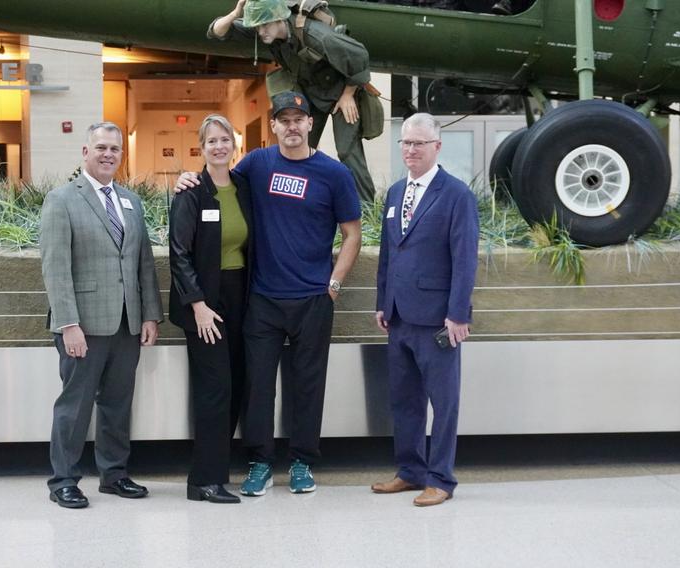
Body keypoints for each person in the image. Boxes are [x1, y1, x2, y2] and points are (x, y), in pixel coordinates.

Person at [175, 91, 362, 496]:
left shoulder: (334, 174)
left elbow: (352, 233)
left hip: (313, 297)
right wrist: (187, 178)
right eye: (284, 120)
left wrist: (334, 284)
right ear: (273, 125)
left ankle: (301, 462)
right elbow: (218, 180)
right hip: (261, 298)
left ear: (311, 124)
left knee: (308, 384)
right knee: (258, 385)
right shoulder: (257, 164)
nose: (291, 126)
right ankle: (259, 462)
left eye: (299, 119)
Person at [40, 121, 163, 509]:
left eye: (115, 149)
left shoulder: (131, 201)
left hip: (127, 323)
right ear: (85, 152)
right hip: (84, 325)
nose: (109, 154)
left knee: (117, 403)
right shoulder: (62, 200)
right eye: (101, 148)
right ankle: (63, 480)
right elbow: (55, 268)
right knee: (75, 406)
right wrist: (68, 324)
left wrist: (149, 316)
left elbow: (144, 263)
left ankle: (114, 475)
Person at [372, 113, 478, 506]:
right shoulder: (396, 192)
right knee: (404, 400)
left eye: (419, 143)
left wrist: (458, 314)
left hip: (437, 319)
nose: (411, 149)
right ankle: (410, 471)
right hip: (398, 316)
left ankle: (441, 479)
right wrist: (382, 302)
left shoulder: (456, 195)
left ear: (437, 146)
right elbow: (389, 252)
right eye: (405, 143)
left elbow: (464, 259)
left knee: (443, 402)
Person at [208, 0, 377, 202]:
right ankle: (300, 202)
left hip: (341, 93)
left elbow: (359, 55)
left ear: (279, 18)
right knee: (297, 148)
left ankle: (367, 212)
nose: (260, 32)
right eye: (257, 27)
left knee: (347, 151)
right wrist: (236, 13)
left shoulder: (316, 35)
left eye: (264, 25)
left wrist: (348, 94)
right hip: (311, 94)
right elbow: (216, 31)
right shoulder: (265, 28)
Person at [169, 115, 253, 505]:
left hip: (240, 298)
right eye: (210, 142)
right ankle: (205, 480)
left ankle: (214, 474)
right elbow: (179, 253)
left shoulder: (243, 188)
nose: (219, 147)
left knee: (235, 386)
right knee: (214, 389)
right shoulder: (191, 192)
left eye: (225, 140)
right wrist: (199, 306)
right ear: (200, 149)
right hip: (205, 301)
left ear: (234, 146)